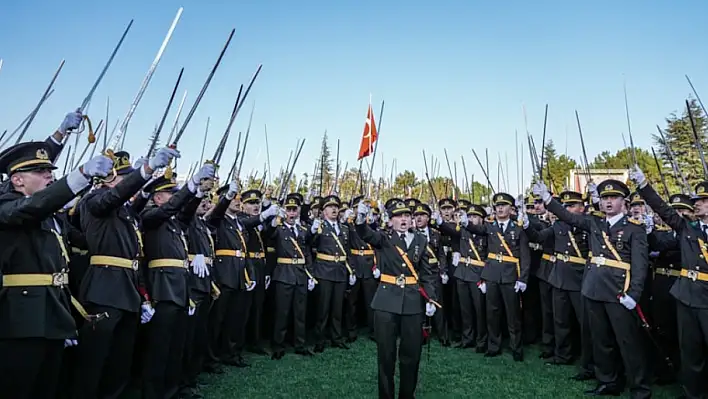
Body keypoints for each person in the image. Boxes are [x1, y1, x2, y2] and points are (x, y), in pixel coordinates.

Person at [0, 140, 113, 398]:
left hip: (52, 311)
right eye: (40, 172)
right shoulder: (6, 206)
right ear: (17, 180)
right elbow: (31, 208)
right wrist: (80, 176)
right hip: (20, 319)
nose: (49, 175)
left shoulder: (49, 216)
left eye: (49, 170)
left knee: (48, 387)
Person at [71, 148, 177, 399]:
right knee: (93, 361)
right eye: (125, 178)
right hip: (104, 289)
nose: (129, 184)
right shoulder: (95, 200)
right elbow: (115, 196)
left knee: (120, 360)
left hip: (128, 290)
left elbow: (135, 256)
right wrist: (145, 172)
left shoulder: (128, 213)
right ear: (108, 179)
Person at [534, 178, 651, 398]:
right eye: (605, 198)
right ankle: (608, 381)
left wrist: (634, 294)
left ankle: (639, 387)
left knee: (628, 342)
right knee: (600, 340)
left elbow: (640, 266)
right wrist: (548, 199)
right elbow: (568, 216)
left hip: (619, 292)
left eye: (614, 198)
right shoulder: (594, 223)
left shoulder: (634, 229)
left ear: (623, 202)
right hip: (593, 289)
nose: (608, 202)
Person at [139, 162, 215, 399]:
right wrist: (191, 186)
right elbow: (170, 210)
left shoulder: (174, 223)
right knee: (160, 348)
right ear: (158, 197)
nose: (175, 198)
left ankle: (172, 390)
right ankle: (153, 392)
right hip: (162, 288)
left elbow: (186, 211)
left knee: (175, 346)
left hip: (180, 288)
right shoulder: (150, 216)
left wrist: (198, 193)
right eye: (171, 194)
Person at [632, 166, 708, 398]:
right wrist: (644, 186)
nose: (697, 203)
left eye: (703, 200)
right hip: (687, 293)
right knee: (690, 350)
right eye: (696, 200)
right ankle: (692, 392)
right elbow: (664, 210)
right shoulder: (688, 228)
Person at [354, 199, 438, 399]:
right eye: (398, 216)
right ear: (390, 221)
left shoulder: (420, 240)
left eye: (407, 216)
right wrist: (360, 218)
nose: (404, 219)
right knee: (386, 355)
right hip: (386, 301)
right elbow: (365, 233)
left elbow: (427, 273)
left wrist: (431, 299)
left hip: (412, 302)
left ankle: (407, 396)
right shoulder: (383, 238)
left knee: (411, 355)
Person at [445, 192, 530, 361]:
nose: (500, 208)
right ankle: (493, 345)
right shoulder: (490, 226)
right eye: (497, 206)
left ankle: (516, 347)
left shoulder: (518, 228)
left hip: (510, 275)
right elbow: (475, 228)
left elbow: (525, 256)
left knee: (512, 315)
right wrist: (465, 222)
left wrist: (523, 279)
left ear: (511, 208)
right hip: (491, 274)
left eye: (504, 205)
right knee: (492, 312)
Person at [267, 193, 317, 359]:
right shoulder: (279, 229)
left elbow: (308, 250)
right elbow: (269, 234)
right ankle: (278, 345)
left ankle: (300, 344)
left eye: (294, 210)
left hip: (300, 274)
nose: (292, 213)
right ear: (284, 211)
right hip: (284, 274)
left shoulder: (303, 230)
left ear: (298, 211)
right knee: (282, 312)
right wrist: (274, 220)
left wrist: (310, 274)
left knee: (300, 312)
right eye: (289, 210)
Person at [310, 195, 355, 352]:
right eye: (330, 207)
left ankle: (336, 338)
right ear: (323, 211)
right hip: (324, 270)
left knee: (338, 308)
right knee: (323, 308)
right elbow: (310, 245)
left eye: (336, 206)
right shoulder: (319, 226)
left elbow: (347, 251)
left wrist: (351, 271)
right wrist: (313, 231)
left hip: (340, 271)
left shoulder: (344, 228)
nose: (334, 209)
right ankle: (320, 339)